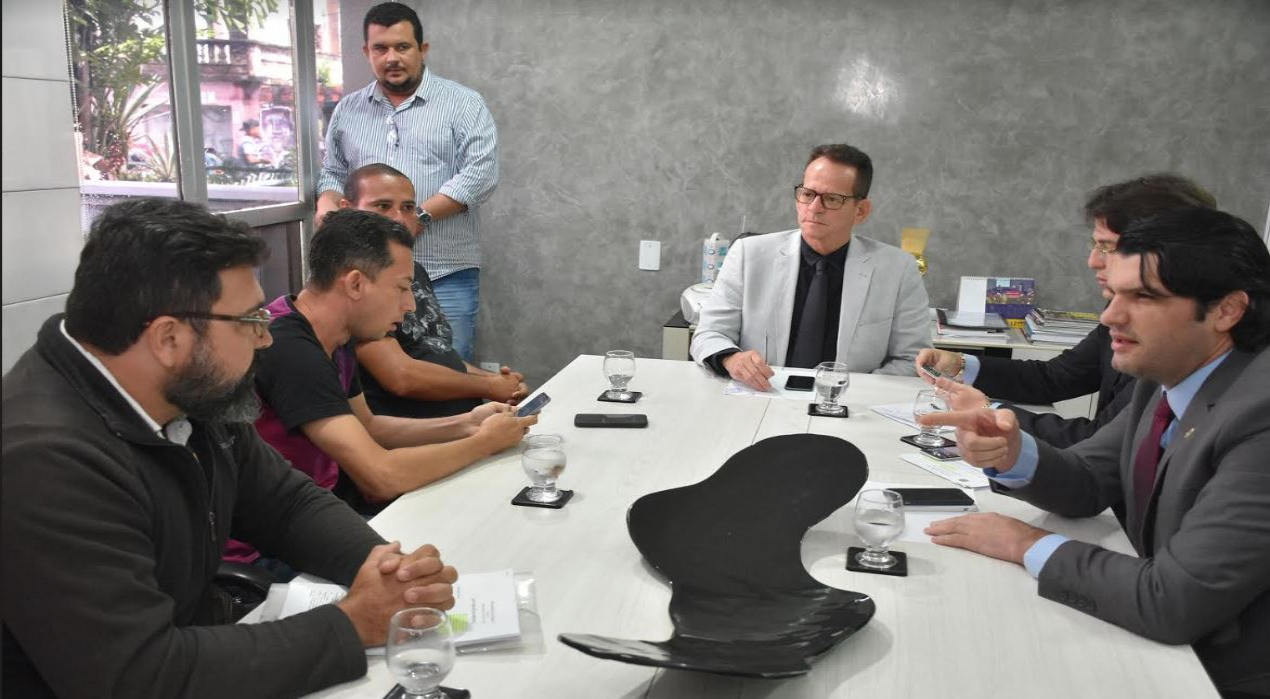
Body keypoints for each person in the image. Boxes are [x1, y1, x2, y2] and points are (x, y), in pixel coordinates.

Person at [1, 198, 459, 698]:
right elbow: (138, 676)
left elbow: (285, 503)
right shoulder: (43, 462)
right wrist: (354, 624)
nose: (265, 339)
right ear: (169, 338)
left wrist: (386, 570)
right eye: (249, 321)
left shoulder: (184, 391)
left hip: (206, 638)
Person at [919, 207, 1270, 698]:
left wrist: (1025, 543)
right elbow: (1087, 481)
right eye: (1115, 295)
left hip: (1218, 676)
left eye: (1143, 297)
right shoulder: (1167, 376)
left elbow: (1171, 600)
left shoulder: (1258, 415)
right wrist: (1010, 451)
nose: (1110, 317)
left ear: (1227, 310)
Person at [233, 208, 533, 535]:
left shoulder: (337, 334)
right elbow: (380, 478)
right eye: (402, 288)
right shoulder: (290, 347)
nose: (410, 305)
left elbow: (369, 426)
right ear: (355, 284)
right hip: (272, 541)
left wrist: (468, 424)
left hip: (317, 512)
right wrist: (484, 443)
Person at [915, 174, 1217, 447]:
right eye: (1094, 245)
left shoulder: (1181, 338)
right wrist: (960, 365)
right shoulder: (1118, 307)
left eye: (1108, 247)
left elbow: (1099, 440)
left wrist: (987, 412)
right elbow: (1057, 377)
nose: (1093, 261)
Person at [316, 2, 498, 361]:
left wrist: (418, 217)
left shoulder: (463, 104)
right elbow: (333, 171)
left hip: (445, 271)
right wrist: (326, 205)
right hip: (366, 273)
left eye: (402, 47)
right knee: (374, 373)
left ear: (422, 48)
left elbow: (481, 173)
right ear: (367, 52)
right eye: (381, 48)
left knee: (448, 366)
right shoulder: (348, 109)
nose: (392, 58)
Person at [690, 143, 930, 389]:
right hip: (763, 394)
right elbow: (708, 334)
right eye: (807, 195)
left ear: (861, 211)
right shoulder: (748, 254)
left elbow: (912, 358)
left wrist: (849, 391)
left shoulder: (898, 269)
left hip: (848, 403)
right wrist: (731, 359)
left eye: (832, 199)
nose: (814, 208)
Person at [339, 164, 530, 418]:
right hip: (417, 432)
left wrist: (499, 382)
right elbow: (400, 376)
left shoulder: (414, 270)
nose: (399, 218)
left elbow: (437, 353)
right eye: (383, 206)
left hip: (465, 421)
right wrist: (489, 387)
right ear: (347, 209)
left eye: (408, 208)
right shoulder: (353, 282)